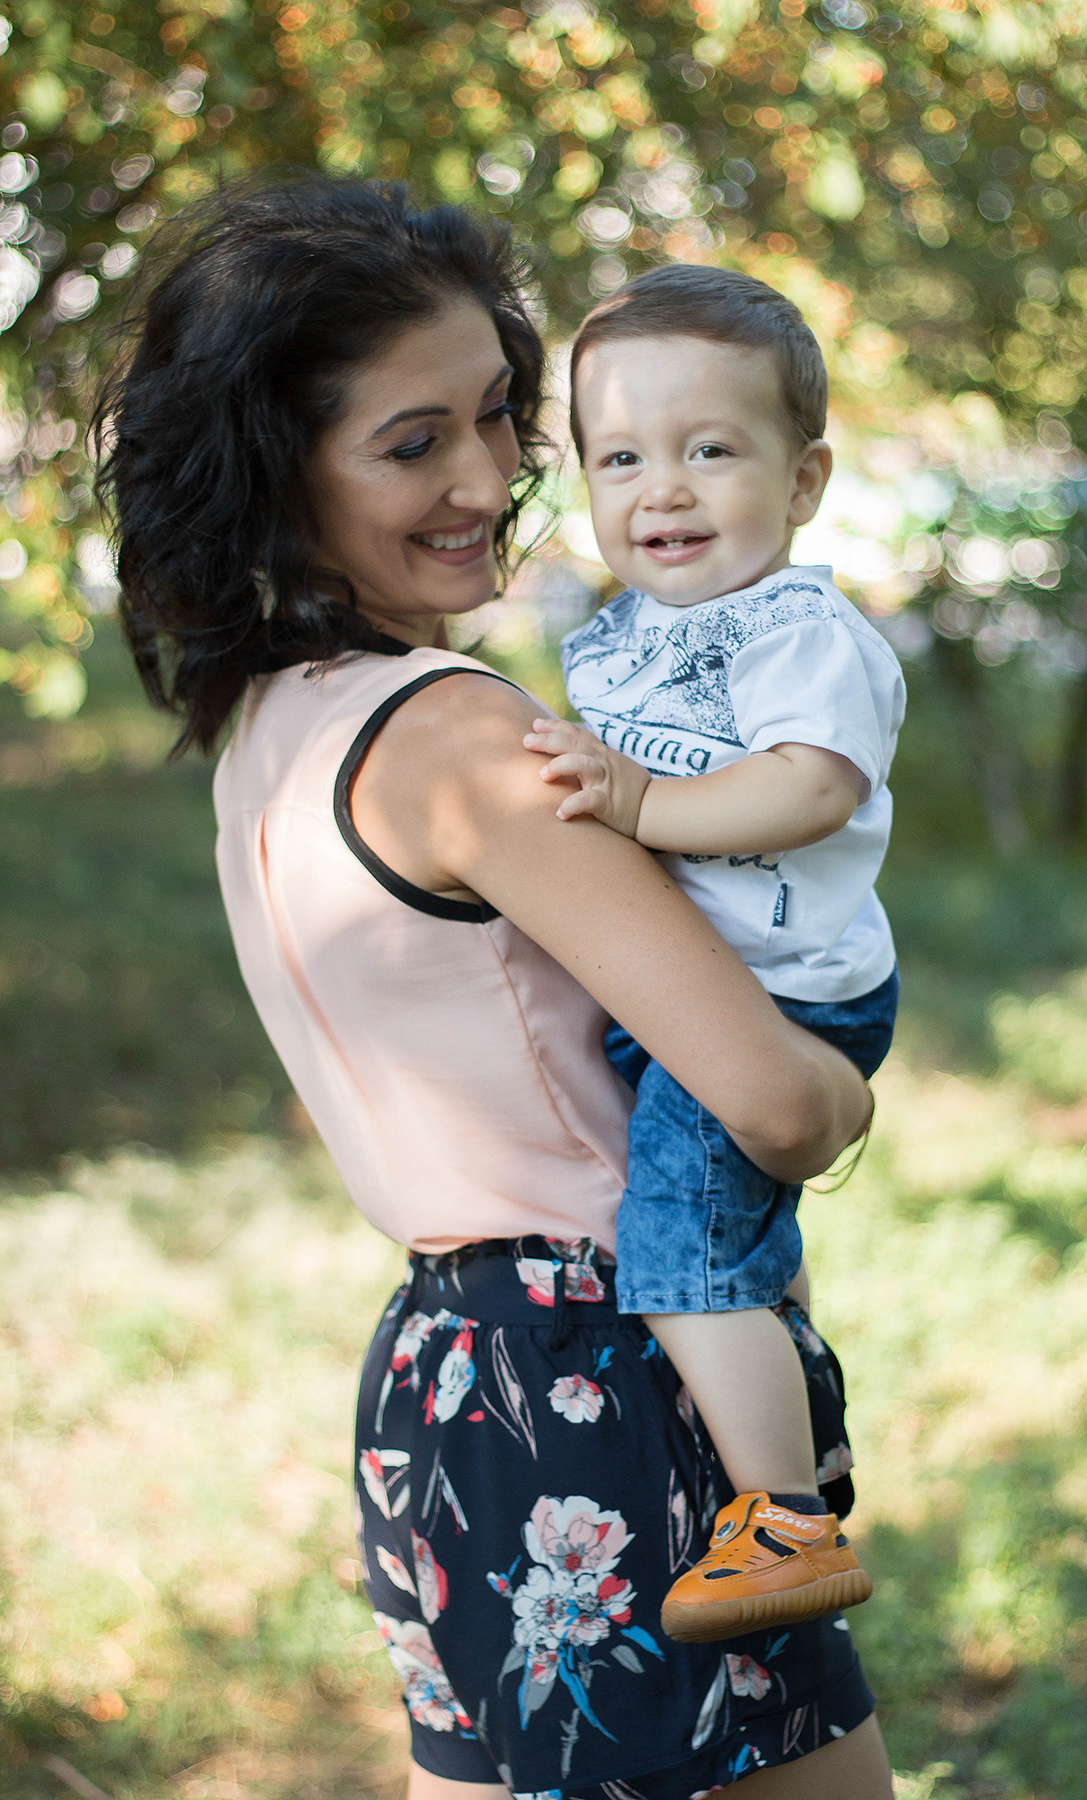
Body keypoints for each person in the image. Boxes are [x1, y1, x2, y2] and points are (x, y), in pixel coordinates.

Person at [96, 175, 894, 1800]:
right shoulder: (462, 737)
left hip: (443, 1382)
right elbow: (771, 1101)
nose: (485, 482)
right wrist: (845, 1088)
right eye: (412, 443)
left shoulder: (273, 726)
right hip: (611, 1374)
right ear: (278, 464)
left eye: (498, 420)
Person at [522, 268, 904, 1645]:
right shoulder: (625, 635)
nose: (662, 490)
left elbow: (807, 787)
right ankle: (804, 1407)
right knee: (736, 1229)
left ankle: (784, 1520)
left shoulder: (800, 629)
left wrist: (637, 803)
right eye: (620, 456)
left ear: (802, 481)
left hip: (787, 988)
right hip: (704, 976)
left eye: (709, 450)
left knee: (677, 1241)